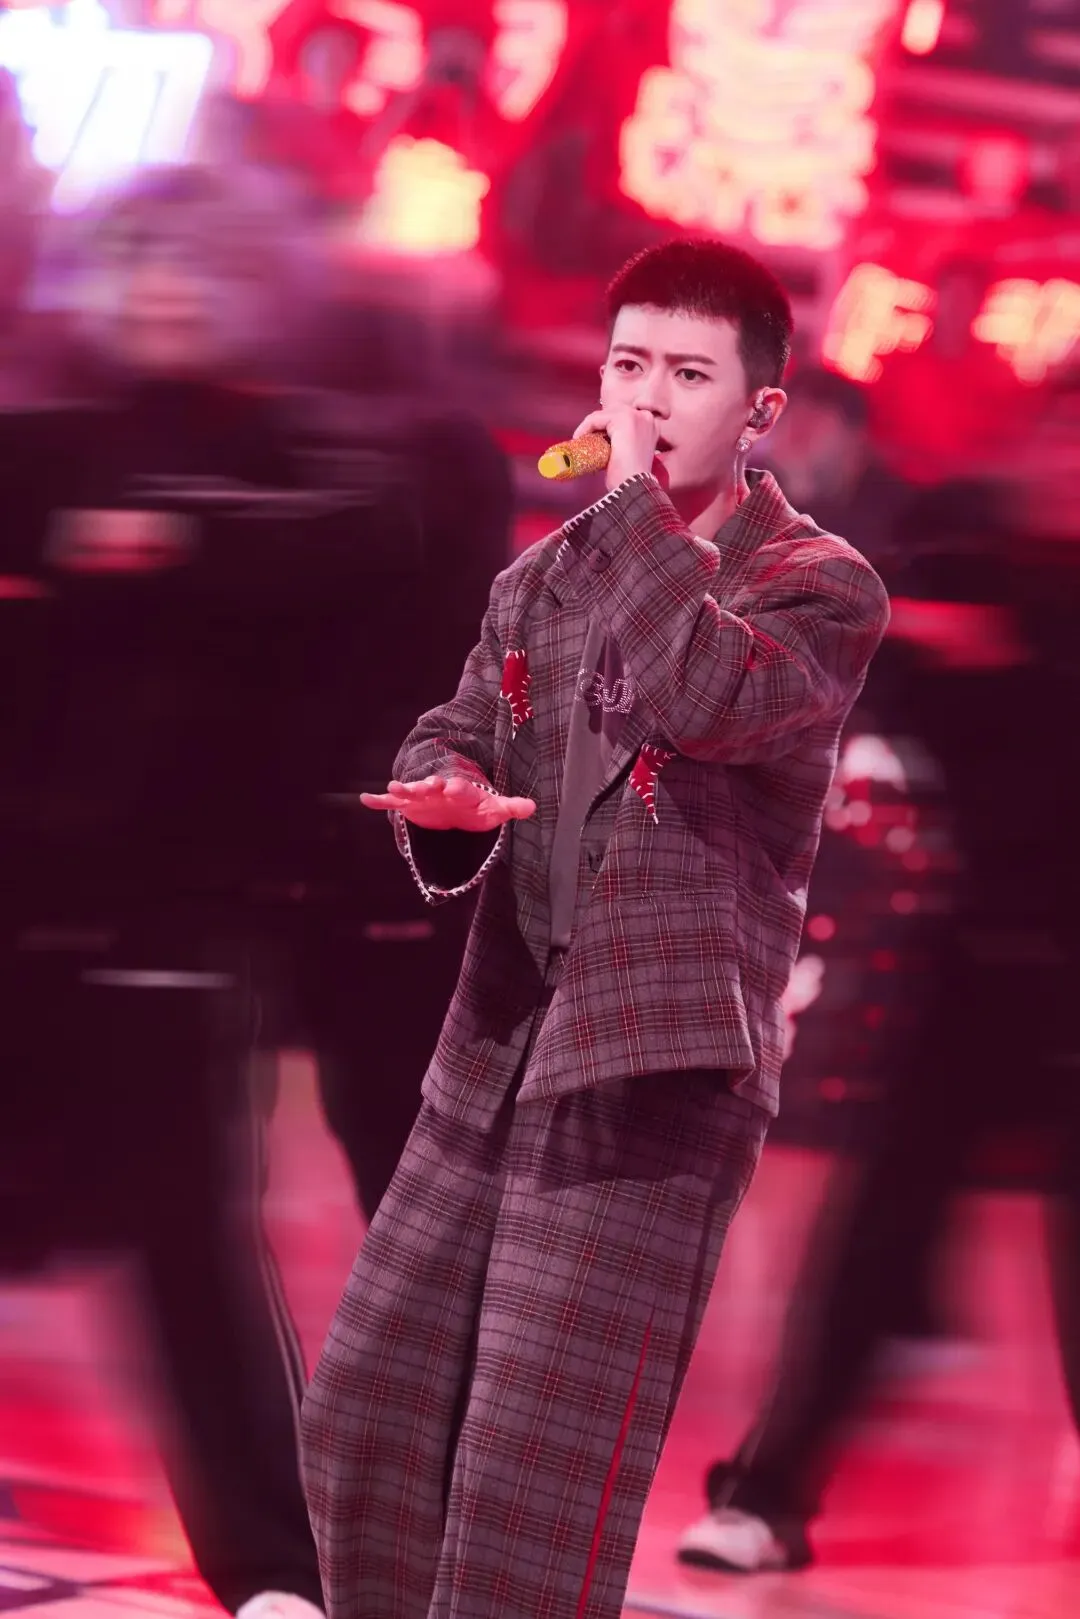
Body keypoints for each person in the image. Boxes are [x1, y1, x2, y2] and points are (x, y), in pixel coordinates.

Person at [299, 237, 890, 1619]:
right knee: (366, 1412)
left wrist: (625, 504)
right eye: (628, 365)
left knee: (532, 1478)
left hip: (653, 1065)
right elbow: (465, 717)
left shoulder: (818, 582)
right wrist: (447, 784)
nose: (646, 399)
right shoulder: (541, 578)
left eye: (687, 374)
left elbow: (703, 691)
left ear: (760, 408)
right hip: (497, 1043)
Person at [0, 163, 509, 1619]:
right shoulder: (50, 436)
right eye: (142, 257)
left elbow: (365, 548)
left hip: (199, 903)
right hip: (48, 897)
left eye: (199, 262)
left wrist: (167, 543)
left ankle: (278, 1562)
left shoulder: (318, 454)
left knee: (195, 1231)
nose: (166, 286)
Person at [675, 479, 1079, 1576]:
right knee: (874, 1241)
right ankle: (766, 1498)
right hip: (976, 968)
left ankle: (768, 1495)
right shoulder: (976, 559)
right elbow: (876, 650)